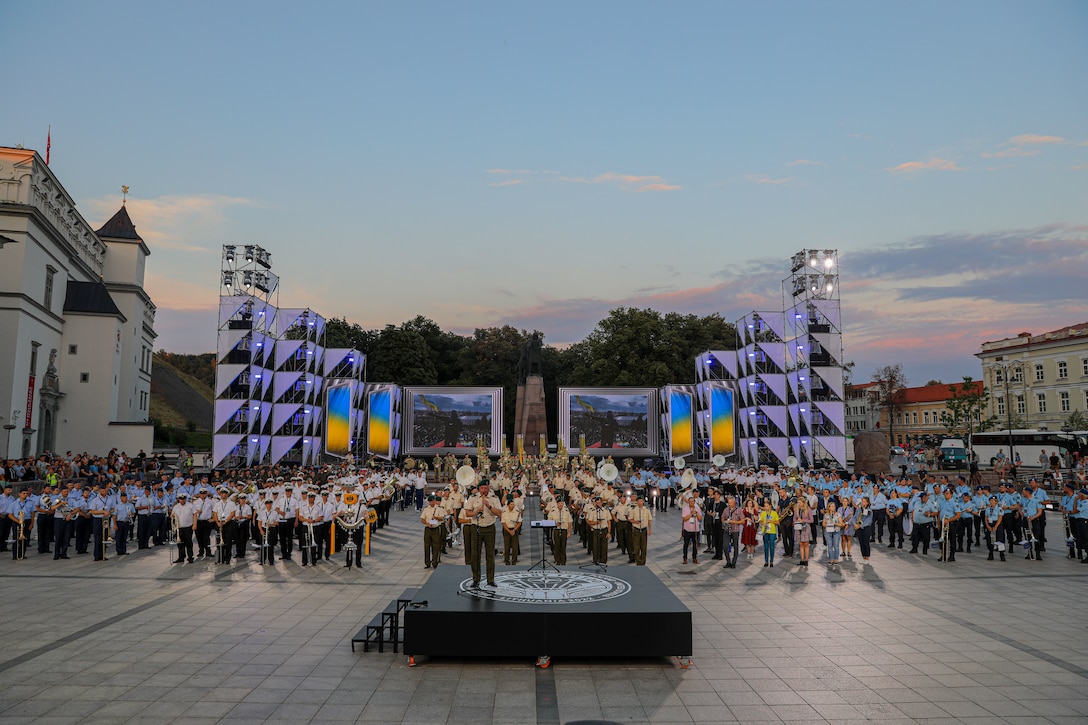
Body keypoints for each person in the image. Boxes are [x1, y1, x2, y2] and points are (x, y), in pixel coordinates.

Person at [465, 481, 502, 586]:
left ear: (488, 488)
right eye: (482, 488)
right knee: (475, 554)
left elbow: (499, 513)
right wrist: (475, 512)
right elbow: (467, 513)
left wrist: (489, 506)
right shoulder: (473, 497)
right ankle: (475, 578)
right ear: (479, 488)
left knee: (490, 554)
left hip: (489, 527)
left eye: (486, 488)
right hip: (476, 527)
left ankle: (490, 579)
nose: (484, 491)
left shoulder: (494, 498)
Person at [171, 493, 196, 564]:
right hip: (179, 528)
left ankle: (190, 557)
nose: (182, 501)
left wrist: (194, 524)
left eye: (183, 499)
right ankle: (181, 557)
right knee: (180, 543)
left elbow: (195, 514)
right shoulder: (176, 507)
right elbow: (172, 515)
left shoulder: (190, 506)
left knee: (188, 543)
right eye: (181, 499)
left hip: (188, 527)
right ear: (179, 499)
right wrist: (172, 517)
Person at [421, 494, 444, 569]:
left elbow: (441, 518)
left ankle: (435, 562)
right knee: (427, 546)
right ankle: (427, 563)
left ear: (435, 501)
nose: (431, 503)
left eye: (432, 501)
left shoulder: (439, 509)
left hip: (435, 528)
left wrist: (435, 517)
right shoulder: (426, 509)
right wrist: (427, 523)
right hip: (428, 528)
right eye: (430, 502)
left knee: (436, 546)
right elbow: (422, 519)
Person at [628, 495, 652, 566]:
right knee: (636, 547)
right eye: (638, 501)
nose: (640, 503)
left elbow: (649, 520)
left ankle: (643, 562)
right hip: (636, 529)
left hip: (644, 529)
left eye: (641, 501)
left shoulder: (647, 510)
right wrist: (635, 522)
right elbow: (630, 519)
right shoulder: (634, 510)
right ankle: (638, 561)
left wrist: (650, 529)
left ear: (643, 502)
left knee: (644, 547)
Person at [681, 493, 702, 565]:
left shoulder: (697, 508)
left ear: (694, 502)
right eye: (690, 502)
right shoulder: (685, 509)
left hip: (695, 529)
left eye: (693, 502)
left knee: (695, 545)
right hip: (687, 529)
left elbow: (700, 518)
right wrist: (691, 514)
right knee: (686, 544)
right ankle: (685, 558)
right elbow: (684, 518)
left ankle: (694, 558)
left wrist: (697, 513)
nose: (691, 503)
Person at [758, 499, 780, 567]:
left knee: (772, 546)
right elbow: (760, 521)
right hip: (765, 531)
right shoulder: (763, 513)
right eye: (765, 506)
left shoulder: (774, 513)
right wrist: (763, 523)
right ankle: (766, 561)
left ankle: (771, 561)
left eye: (767, 506)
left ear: (770, 506)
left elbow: (778, 522)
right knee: (766, 546)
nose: (766, 507)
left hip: (772, 531)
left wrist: (771, 521)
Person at [500, 496, 522, 565]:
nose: (513, 506)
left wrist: (514, 530)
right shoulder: (504, 513)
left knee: (514, 547)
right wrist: (509, 531)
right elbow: (503, 523)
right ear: (508, 505)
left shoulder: (517, 512)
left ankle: (514, 561)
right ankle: (507, 561)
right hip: (507, 530)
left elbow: (519, 522)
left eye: (513, 504)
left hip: (514, 530)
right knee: (507, 546)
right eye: (511, 504)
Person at [552, 498, 573, 565]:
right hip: (556, 530)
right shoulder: (553, 511)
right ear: (557, 504)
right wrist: (555, 524)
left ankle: (563, 561)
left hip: (564, 530)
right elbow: (549, 521)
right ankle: (557, 560)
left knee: (563, 546)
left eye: (562, 503)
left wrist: (569, 532)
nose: (560, 505)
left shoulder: (566, 512)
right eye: (559, 503)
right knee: (557, 546)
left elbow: (569, 523)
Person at [112, 491, 135, 556]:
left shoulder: (130, 505)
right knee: (119, 537)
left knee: (124, 537)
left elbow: (133, 513)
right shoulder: (117, 506)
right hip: (119, 522)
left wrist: (131, 514)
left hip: (126, 522)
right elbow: (114, 516)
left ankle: (124, 550)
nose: (125, 499)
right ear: (121, 498)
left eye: (126, 497)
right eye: (123, 498)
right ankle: (119, 551)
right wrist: (115, 524)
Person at [794, 497, 814, 567]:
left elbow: (811, 520)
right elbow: (794, 518)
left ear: (803, 502)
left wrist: (803, 520)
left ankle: (806, 560)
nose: (798, 504)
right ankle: (802, 560)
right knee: (801, 544)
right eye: (798, 502)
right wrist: (797, 521)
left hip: (806, 528)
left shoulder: (808, 509)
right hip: (798, 528)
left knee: (806, 544)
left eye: (800, 502)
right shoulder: (797, 510)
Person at [823, 501, 843, 566]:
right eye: (832, 506)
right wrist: (828, 524)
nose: (833, 507)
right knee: (830, 546)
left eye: (834, 506)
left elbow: (841, 524)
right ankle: (831, 559)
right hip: (828, 532)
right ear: (829, 507)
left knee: (836, 545)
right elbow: (823, 524)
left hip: (836, 531)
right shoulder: (826, 515)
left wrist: (835, 524)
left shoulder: (838, 514)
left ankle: (836, 559)